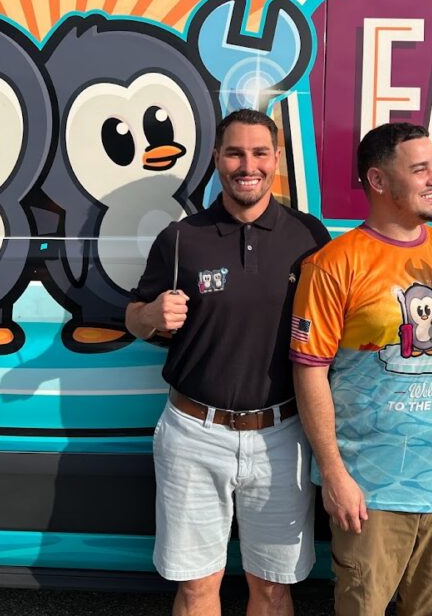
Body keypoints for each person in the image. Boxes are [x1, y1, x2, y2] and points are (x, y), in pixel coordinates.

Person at [290, 122, 432, 616]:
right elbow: (309, 374)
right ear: (380, 181)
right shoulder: (333, 264)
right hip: (372, 494)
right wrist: (335, 476)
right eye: (420, 169)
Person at [126, 108, 330, 616]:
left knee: (272, 588)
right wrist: (151, 314)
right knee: (197, 588)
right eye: (235, 152)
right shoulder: (180, 239)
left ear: (277, 159)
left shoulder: (308, 237)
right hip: (194, 432)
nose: (248, 165)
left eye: (260, 152)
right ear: (217, 159)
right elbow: (133, 318)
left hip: (281, 434)